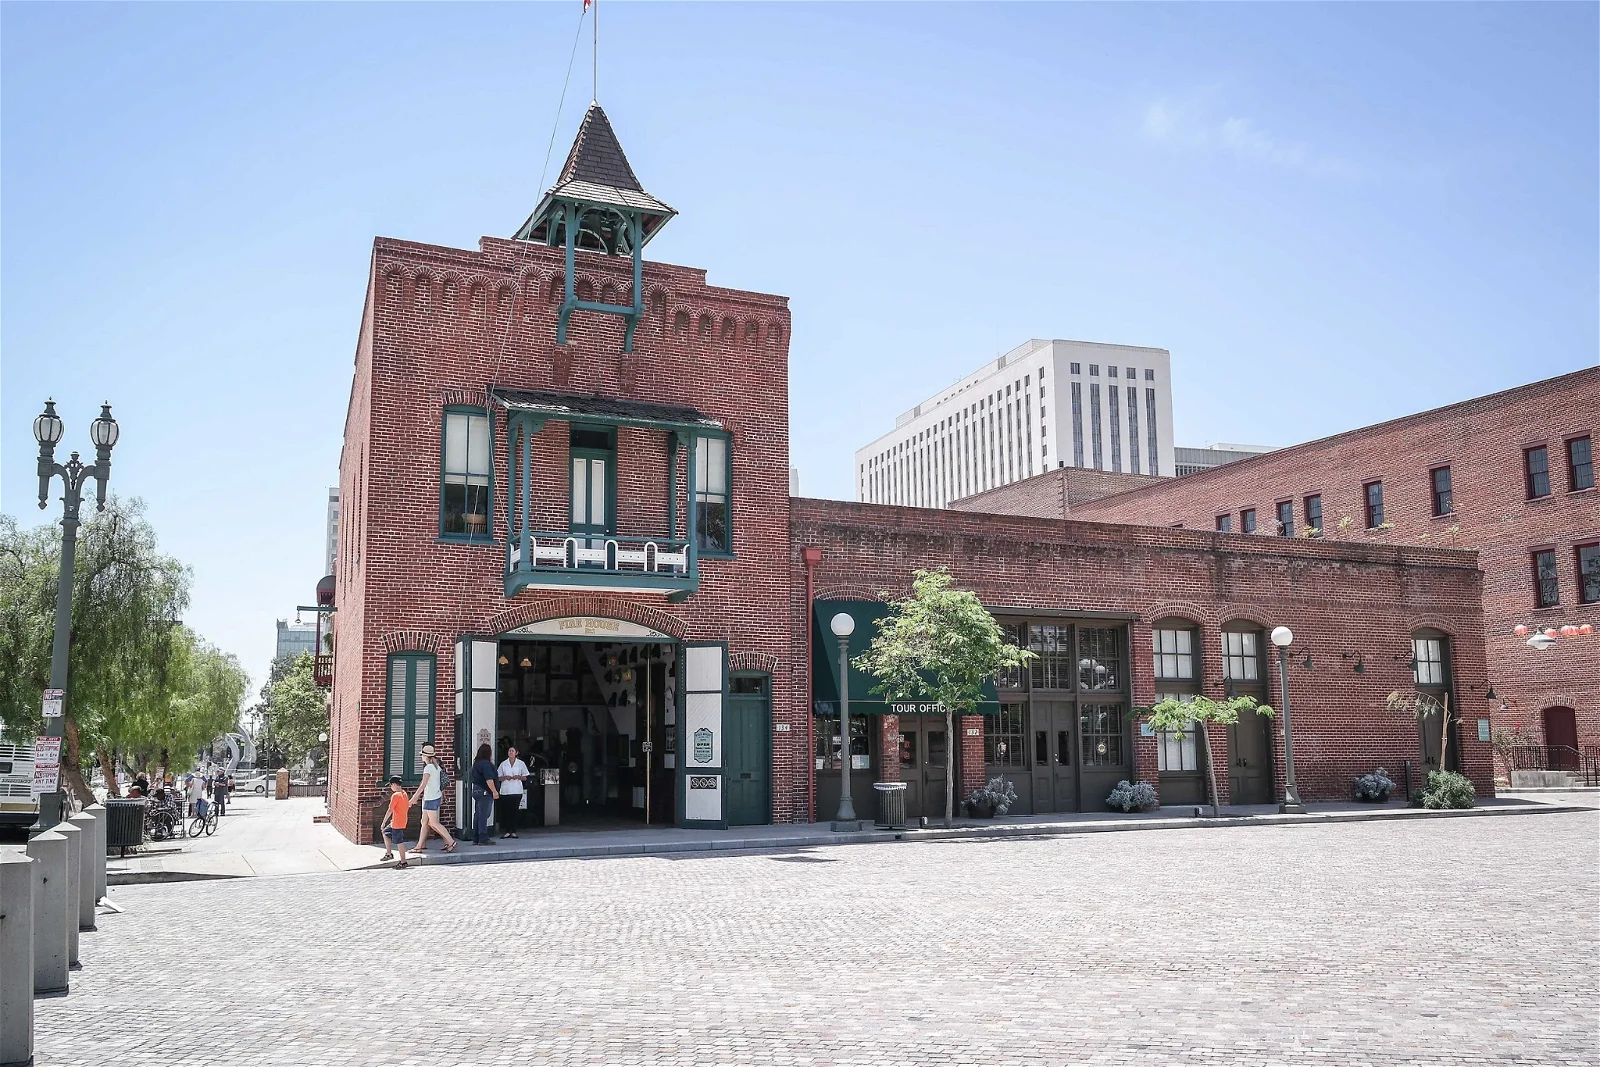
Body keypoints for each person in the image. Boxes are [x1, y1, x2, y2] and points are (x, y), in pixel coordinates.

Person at [410, 744, 456, 854]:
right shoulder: (436, 767)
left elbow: (423, 785)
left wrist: (414, 798)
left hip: (430, 798)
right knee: (424, 822)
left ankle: (450, 841)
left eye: (422, 755)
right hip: (433, 796)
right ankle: (419, 846)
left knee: (434, 823)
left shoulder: (428, 768)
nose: (421, 757)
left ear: (425, 756)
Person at [496, 745, 529, 839]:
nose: (510, 752)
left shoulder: (521, 763)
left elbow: (525, 776)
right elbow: (498, 777)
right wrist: (505, 777)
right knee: (506, 811)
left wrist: (518, 777)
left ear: (516, 753)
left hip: (516, 790)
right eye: (509, 751)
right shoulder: (503, 764)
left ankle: (513, 831)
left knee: (514, 811)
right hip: (506, 790)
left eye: (512, 751)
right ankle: (507, 831)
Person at [469, 743, 499, 846]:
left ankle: (476, 838)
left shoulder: (476, 764)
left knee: (477, 814)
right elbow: (489, 779)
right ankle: (483, 837)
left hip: (476, 789)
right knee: (484, 815)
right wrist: (494, 791)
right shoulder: (486, 764)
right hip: (484, 791)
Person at [381, 776, 411, 869]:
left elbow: (390, 810)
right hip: (400, 820)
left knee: (399, 842)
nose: (390, 787)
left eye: (390, 785)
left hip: (397, 823)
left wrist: (383, 822)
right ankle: (389, 853)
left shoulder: (395, 795)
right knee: (386, 832)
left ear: (394, 784)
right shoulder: (404, 793)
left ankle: (403, 862)